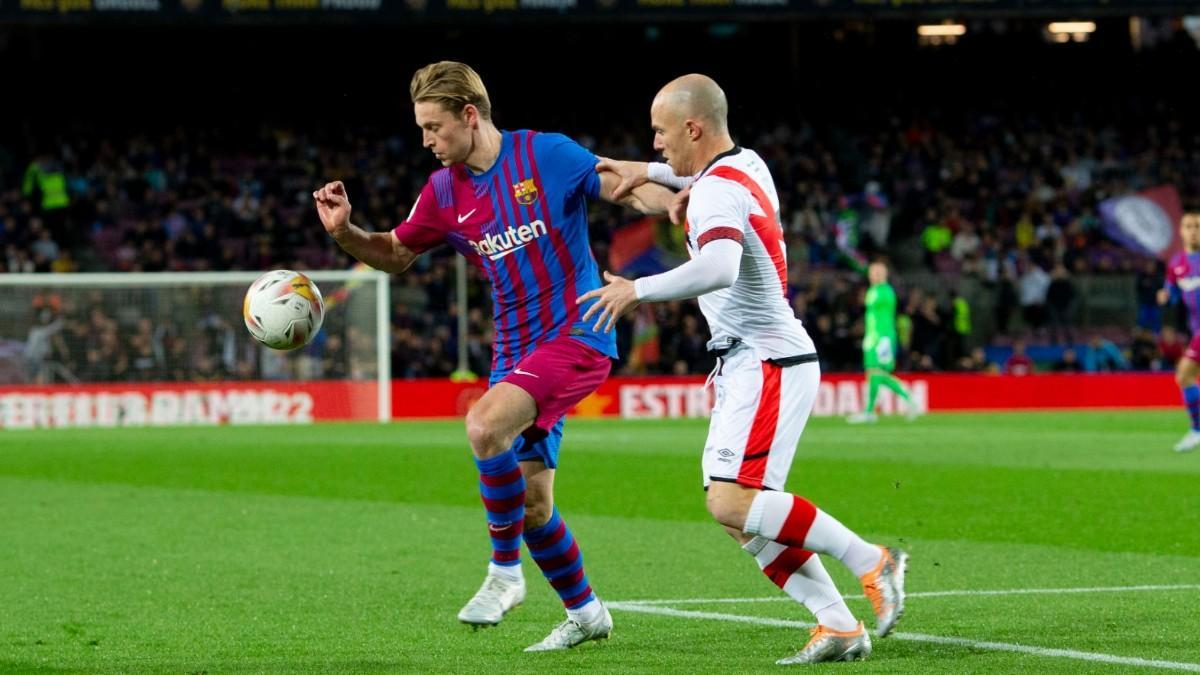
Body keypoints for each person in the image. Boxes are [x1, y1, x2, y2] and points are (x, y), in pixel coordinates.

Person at [313, 61, 673, 650]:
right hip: (515, 354)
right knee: (531, 505)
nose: (426, 141)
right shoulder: (442, 192)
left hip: (579, 334)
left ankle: (504, 574)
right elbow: (396, 253)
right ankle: (586, 613)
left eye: (434, 127)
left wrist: (672, 204)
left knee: (483, 425)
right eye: (422, 129)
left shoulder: (545, 155)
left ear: (470, 116)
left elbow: (621, 186)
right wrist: (345, 233)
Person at [582, 74, 906, 665]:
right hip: (751, 363)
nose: (655, 143)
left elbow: (720, 266)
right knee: (741, 517)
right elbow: (698, 179)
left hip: (768, 359)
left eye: (660, 132)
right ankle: (837, 626)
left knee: (732, 503)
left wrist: (639, 290)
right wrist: (646, 171)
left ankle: (872, 560)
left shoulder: (714, 194)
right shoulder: (746, 164)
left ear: (693, 127)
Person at [847, 261, 919, 424]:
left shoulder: (885, 292)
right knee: (873, 373)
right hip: (872, 337)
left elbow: (883, 317)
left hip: (882, 338)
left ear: (884, 274)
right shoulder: (874, 291)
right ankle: (872, 410)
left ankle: (904, 399)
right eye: (872, 272)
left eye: (878, 272)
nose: (874, 275)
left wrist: (881, 338)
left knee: (876, 372)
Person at [1158, 211, 1200, 453]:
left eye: (1197, 226)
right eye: (1189, 226)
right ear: (1181, 231)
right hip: (1196, 330)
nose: (1193, 230)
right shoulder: (1177, 264)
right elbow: (1171, 293)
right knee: (1185, 377)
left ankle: (1197, 430)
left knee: (1184, 375)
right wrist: (1165, 296)